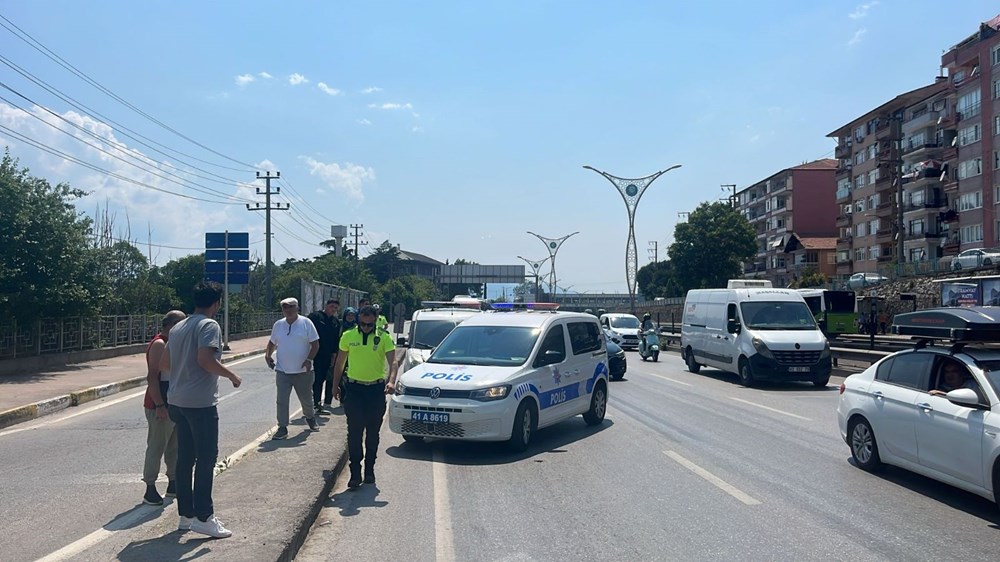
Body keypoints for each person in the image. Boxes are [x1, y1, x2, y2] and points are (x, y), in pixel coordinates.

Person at [160, 281, 241, 538]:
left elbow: (166, 363)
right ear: (216, 303)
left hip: (177, 401)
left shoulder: (179, 326)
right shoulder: (209, 325)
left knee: (185, 458)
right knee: (206, 459)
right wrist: (231, 375)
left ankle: (186, 515)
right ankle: (205, 517)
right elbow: (206, 360)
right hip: (200, 403)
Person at [333, 305, 398, 488]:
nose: (365, 327)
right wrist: (335, 385)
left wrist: (391, 381)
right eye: (362, 323)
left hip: (375, 391)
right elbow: (340, 362)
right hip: (354, 390)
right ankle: (355, 473)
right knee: (354, 433)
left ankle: (369, 470)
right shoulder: (348, 336)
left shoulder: (384, 337)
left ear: (376, 320)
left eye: (369, 324)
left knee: (372, 434)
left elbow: (393, 362)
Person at [141, 310, 185, 506]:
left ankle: (173, 482)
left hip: (173, 402)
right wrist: (159, 404)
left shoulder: (173, 343)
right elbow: (152, 377)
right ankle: (150, 487)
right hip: (159, 403)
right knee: (157, 446)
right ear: (171, 324)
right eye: (181, 323)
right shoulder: (160, 344)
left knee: (174, 446)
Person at [266, 297, 321, 439]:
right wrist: (268, 355)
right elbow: (272, 342)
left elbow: (315, 344)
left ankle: (310, 417)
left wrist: (309, 360)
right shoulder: (278, 325)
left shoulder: (306, 323)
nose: (288, 310)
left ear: (297, 308)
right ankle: (282, 427)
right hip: (282, 370)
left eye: (291, 307)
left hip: (303, 371)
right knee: (282, 400)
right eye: (285, 308)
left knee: (306, 399)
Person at [307, 299, 341, 412]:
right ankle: (316, 403)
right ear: (326, 306)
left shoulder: (335, 322)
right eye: (331, 306)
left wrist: (334, 355)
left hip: (329, 354)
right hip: (316, 354)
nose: (333, 309)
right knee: (318, 380)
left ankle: (327, 403)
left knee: (330, 379)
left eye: (336, 308)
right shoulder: (315, 317)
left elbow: (336, 340)